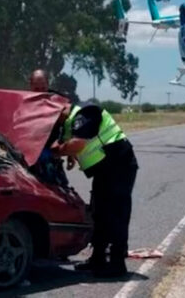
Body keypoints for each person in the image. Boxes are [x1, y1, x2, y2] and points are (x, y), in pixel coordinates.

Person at [52, 102, 138, 278]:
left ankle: (117, 263)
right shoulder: (67, 123)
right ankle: (97, 258)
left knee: (116, 215)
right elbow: (69, 143)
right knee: (99, 213)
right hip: (104, 169)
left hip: (119, 165)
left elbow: (76, 144)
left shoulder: (85, 113)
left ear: (60, 106)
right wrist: (67, 154)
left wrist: (55, 152)